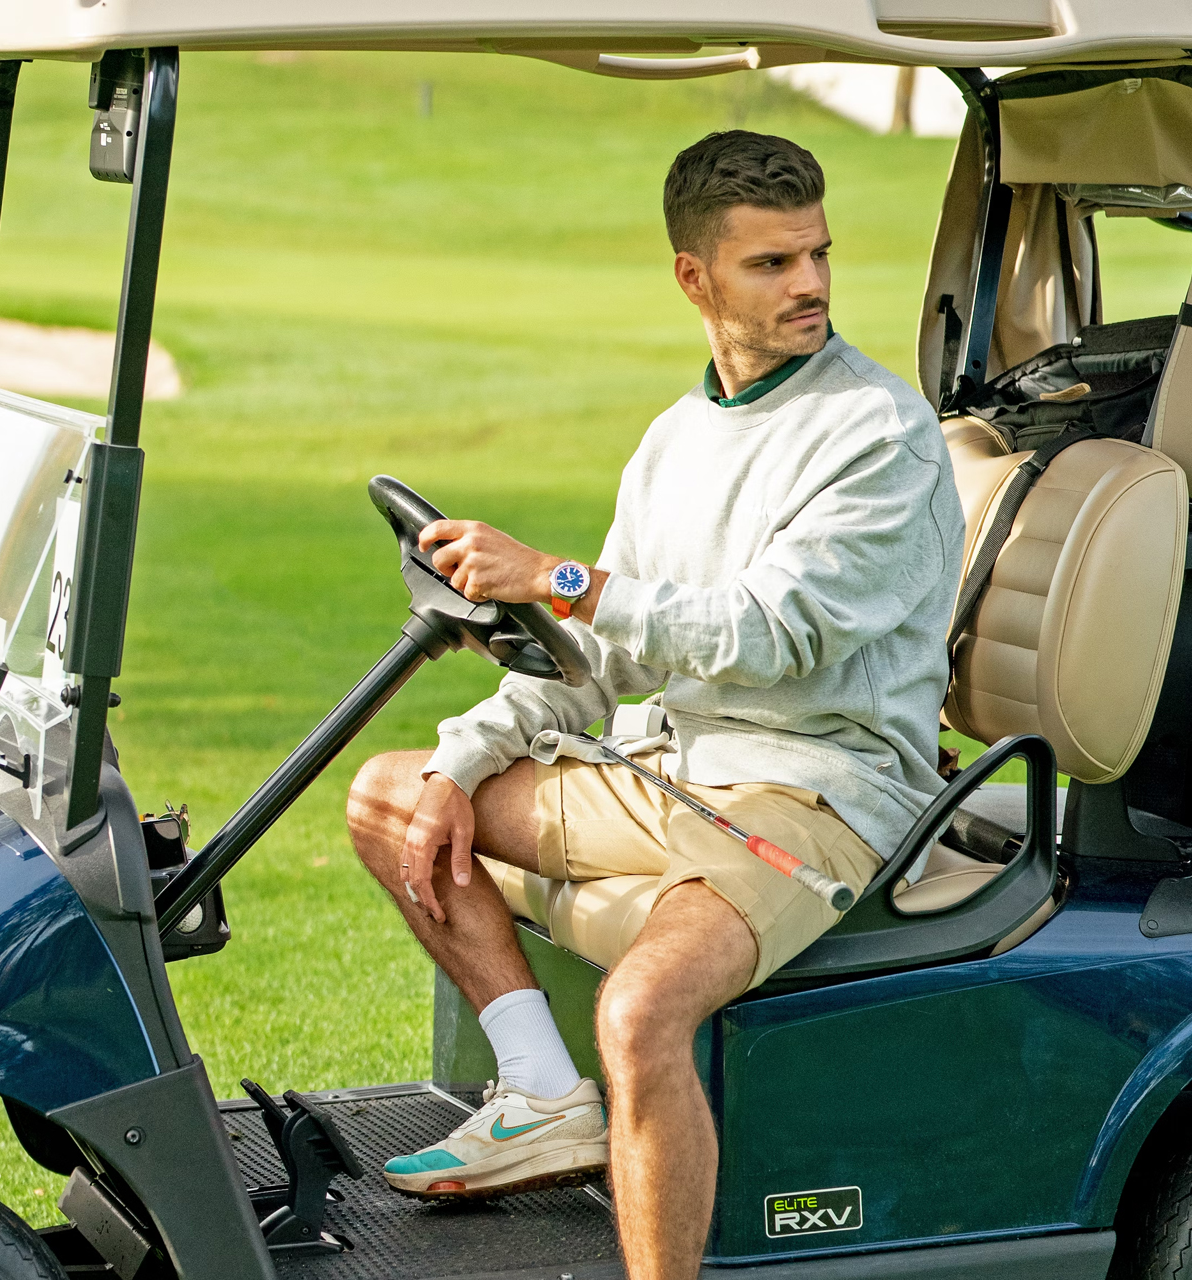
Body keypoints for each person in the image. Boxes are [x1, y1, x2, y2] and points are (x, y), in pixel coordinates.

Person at [347, 129, 964, 1280]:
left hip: (814, 796)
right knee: (395, 798)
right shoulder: (674, 441)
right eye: (772, 264)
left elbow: (771, 636)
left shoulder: (877, 434)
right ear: (696, 278)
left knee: (637, 1013)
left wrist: (561, 577)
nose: (813, 285)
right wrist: (462, 759)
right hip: (671, 778)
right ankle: (539, 1091)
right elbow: (600, 659)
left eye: (818, 255)